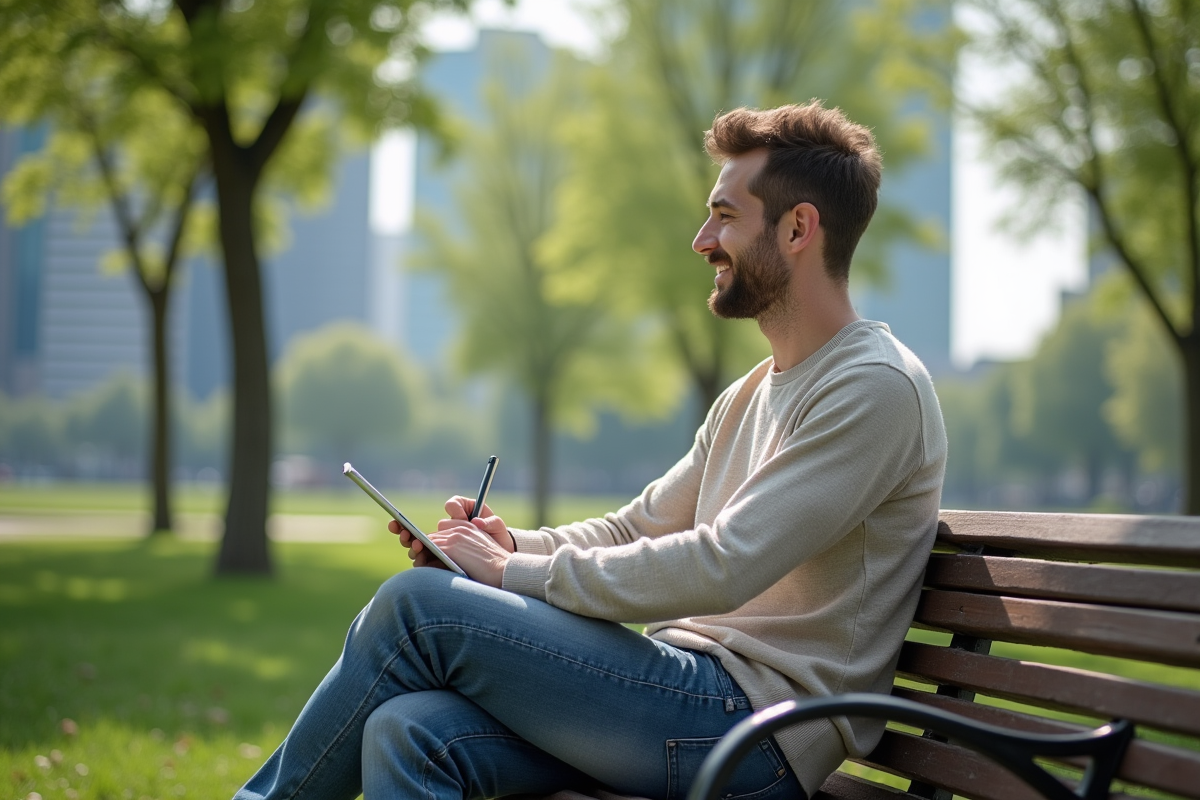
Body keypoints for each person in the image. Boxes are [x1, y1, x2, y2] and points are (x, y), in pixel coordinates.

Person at [233, 101, 947, 800]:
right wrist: (509, 542)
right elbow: (637, 528)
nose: (702, 239)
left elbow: (725, 564)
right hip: (681, 695)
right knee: (409, 730)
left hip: (754, 736)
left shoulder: (873, 388)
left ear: (798, 228)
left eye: (726, 215)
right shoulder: (751, 392)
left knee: (419, 608)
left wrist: (509, 573)